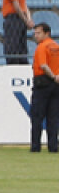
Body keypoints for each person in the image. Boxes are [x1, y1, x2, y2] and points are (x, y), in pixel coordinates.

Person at [30, 23, 59, 153]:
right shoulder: (56, 46)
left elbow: (43, 65)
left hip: (42, 83)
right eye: (35, 33)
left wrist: (52, 76)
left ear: (46, 33)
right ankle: (53, 146)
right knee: (53, 117)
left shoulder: (42, 47)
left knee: (37, 116)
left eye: (38, 33)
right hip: (56, 85)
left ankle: (36, 147)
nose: (35, 36)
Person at [0, 0, 33, 65]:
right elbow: (24, 5)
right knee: (21, 49)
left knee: (12, 49)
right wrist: (28, 19)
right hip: (20, 20)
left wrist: (26, 20)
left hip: (14, 19)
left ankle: (12, 73)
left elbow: (16, 5)